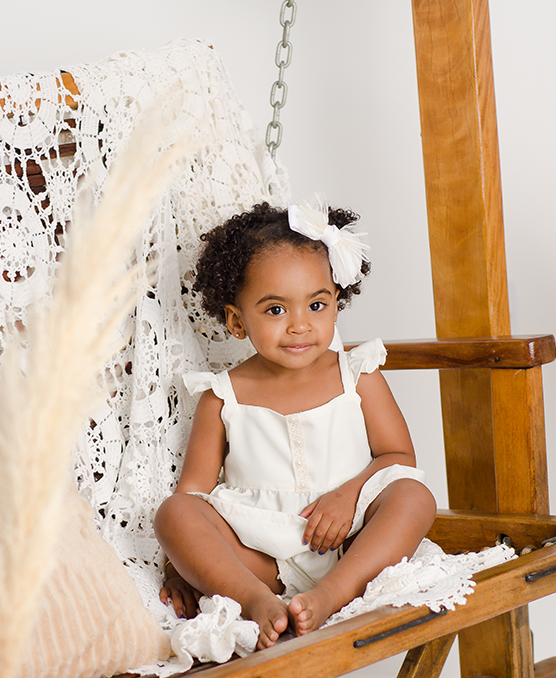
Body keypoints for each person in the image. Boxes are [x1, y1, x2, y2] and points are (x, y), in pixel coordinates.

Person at [153, 198, 436, 650]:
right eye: (276, 310)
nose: (300, 326)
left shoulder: (358, 375)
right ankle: (256, 600)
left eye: (317, 305)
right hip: (258, 554)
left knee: (413, 496)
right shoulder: (221, 396)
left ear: (338, 304)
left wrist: (350, 496)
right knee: (174, 514)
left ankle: (330, 595)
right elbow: (194, 495)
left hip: (349, 540)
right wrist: (179, 566)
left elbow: (398, 457)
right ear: (236, 320)